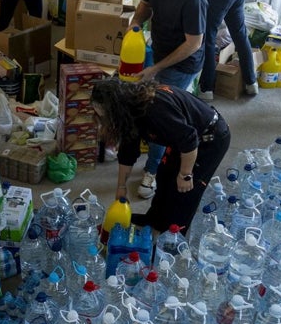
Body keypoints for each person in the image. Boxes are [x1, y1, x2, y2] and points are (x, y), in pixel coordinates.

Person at [122, 0, 207, 199]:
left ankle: (151, 171)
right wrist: (136, 23)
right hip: (158, 49)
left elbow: (194, 43)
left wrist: (156, 68)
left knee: (160, 114)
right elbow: (145, 5)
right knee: (142, 103)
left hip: (183, 62)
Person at [94, 77, 231, 233]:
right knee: (164, 177)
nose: (102, 119)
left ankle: (174, 236)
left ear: (117, 109)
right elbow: (128, 153)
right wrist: (121, 186)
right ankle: (155, 220)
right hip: (181, 140)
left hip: (208, 139)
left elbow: (189, 140)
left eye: (105, 115)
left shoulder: (155, 109)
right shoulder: (130, 111)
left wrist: (185, 175)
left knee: (183, 191)